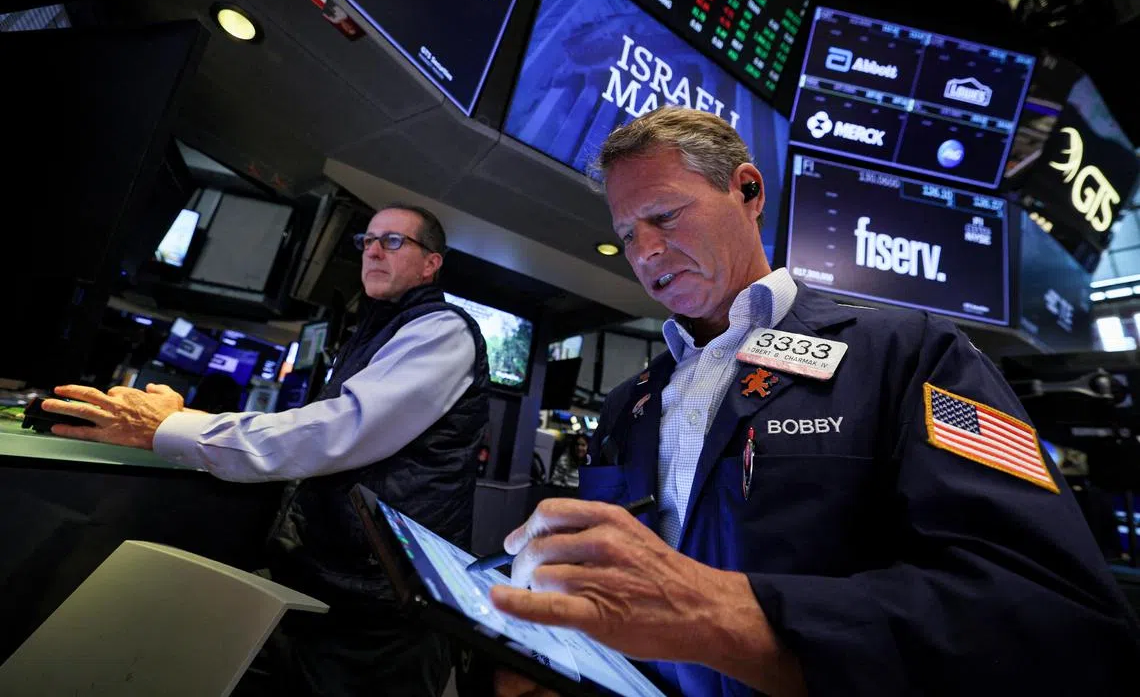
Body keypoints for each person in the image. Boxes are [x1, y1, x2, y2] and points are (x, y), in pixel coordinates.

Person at [488, 107, 1140, 696]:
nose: (646, 251)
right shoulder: (628, 402)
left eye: (664, 215)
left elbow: (1055, 611)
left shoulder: (909, 354)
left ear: (748, 190)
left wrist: (729, 615)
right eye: (628, 234)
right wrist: (558, 650)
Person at [44, 204, 491, 697]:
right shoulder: (377, 329)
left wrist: (172, 430)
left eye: (392, 242)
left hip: (387, 607)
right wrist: (187, 420)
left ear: (431, 263)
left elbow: (336, 432)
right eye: (366, 241)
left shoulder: (443, 331)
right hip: (338, 584)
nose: (372, 252)